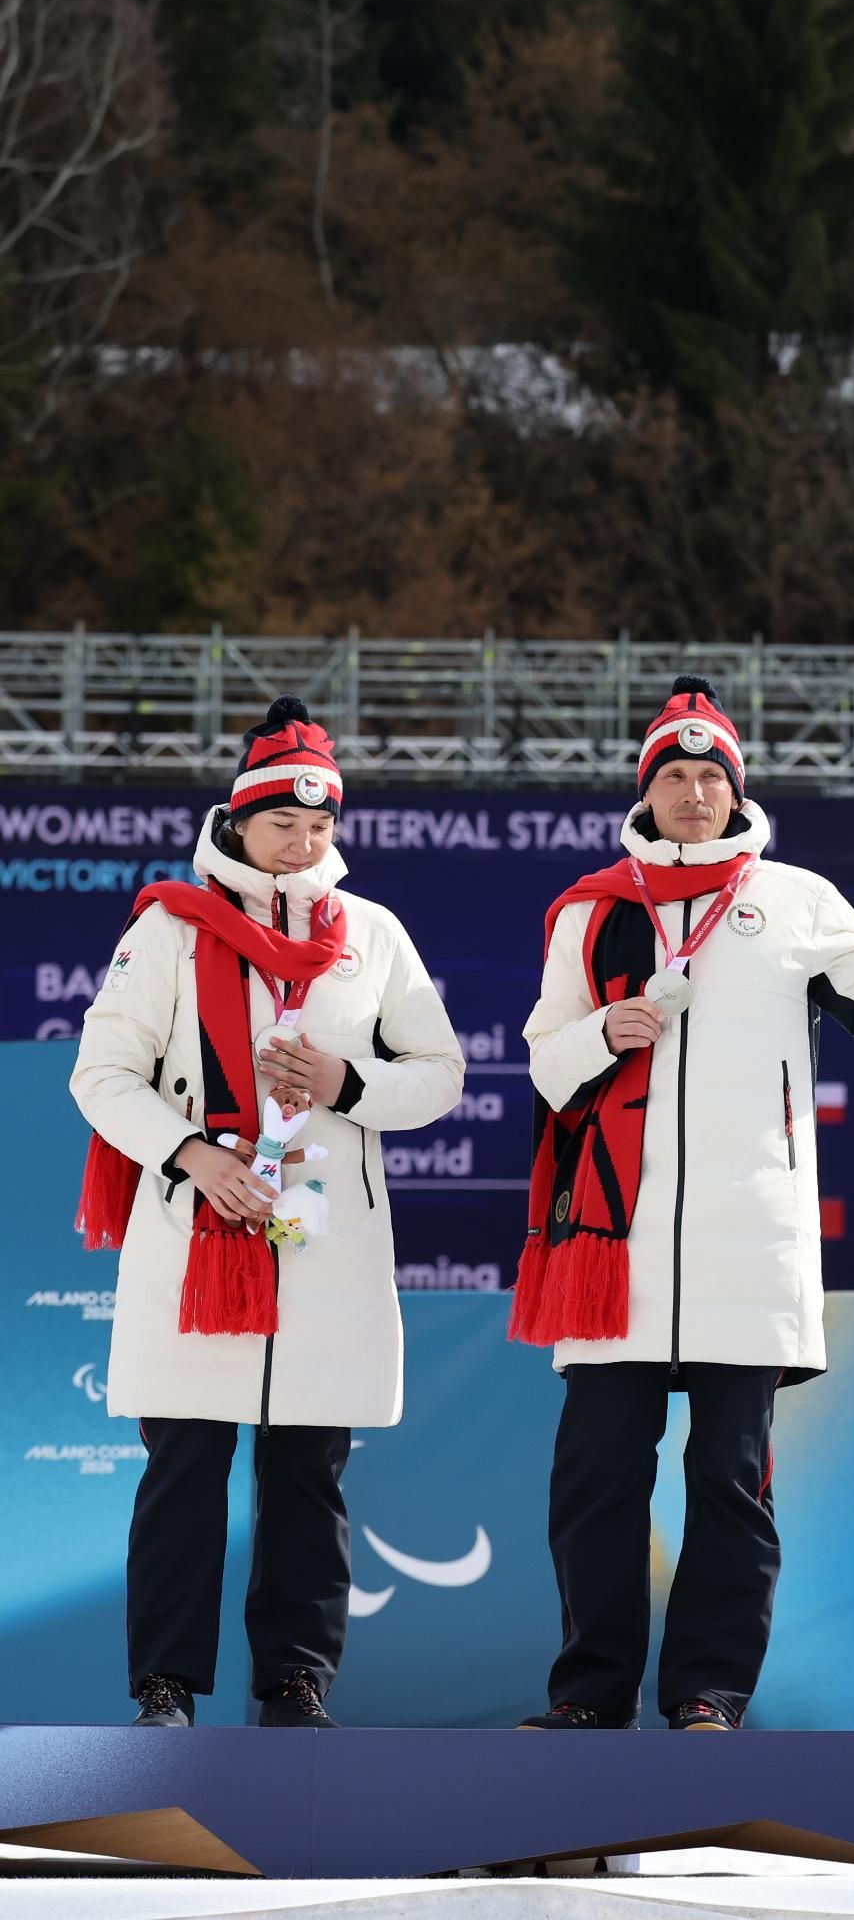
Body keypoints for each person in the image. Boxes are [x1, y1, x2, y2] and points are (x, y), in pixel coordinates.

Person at [512, 679, 854, 1730]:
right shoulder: (591, 909)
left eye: (712, 775)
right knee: (596, 1485)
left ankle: (708, 1691)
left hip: (747, 1248)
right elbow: (544, 1063)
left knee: (730, 1483)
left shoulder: (794, 898)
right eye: (676, 774)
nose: (695, 791)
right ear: (647, 792)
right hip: (614, 1244)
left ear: (735, 790)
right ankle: (589, 1693)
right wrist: (608, 1031)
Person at [70, 698, 466, 1728]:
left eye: (321, 825)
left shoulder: (371, 935)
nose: (303, 843)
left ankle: (295, 1682)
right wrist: (194, 1152)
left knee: (309, 1475)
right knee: (186, 1468)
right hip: (199, 1232)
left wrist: (346, 1081)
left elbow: (441, 1075)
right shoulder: (168, 928)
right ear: (237, 822)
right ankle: (166, 1685)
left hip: (324, 1247)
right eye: (283, 823)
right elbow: (102, 1076)